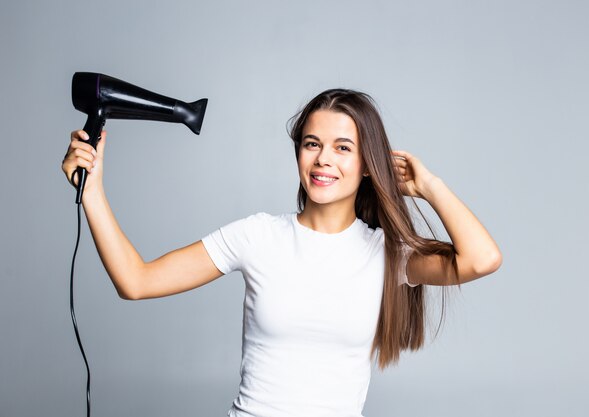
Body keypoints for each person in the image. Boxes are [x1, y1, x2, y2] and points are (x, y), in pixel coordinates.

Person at [62, 88, 502, 417]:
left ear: (368, 164)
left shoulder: (390, 254)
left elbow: (482, 259)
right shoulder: (258, 236)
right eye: (312, 144)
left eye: (342, 148)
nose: (323, 159)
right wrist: (93, 191)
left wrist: (428, 186)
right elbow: (136, 281)